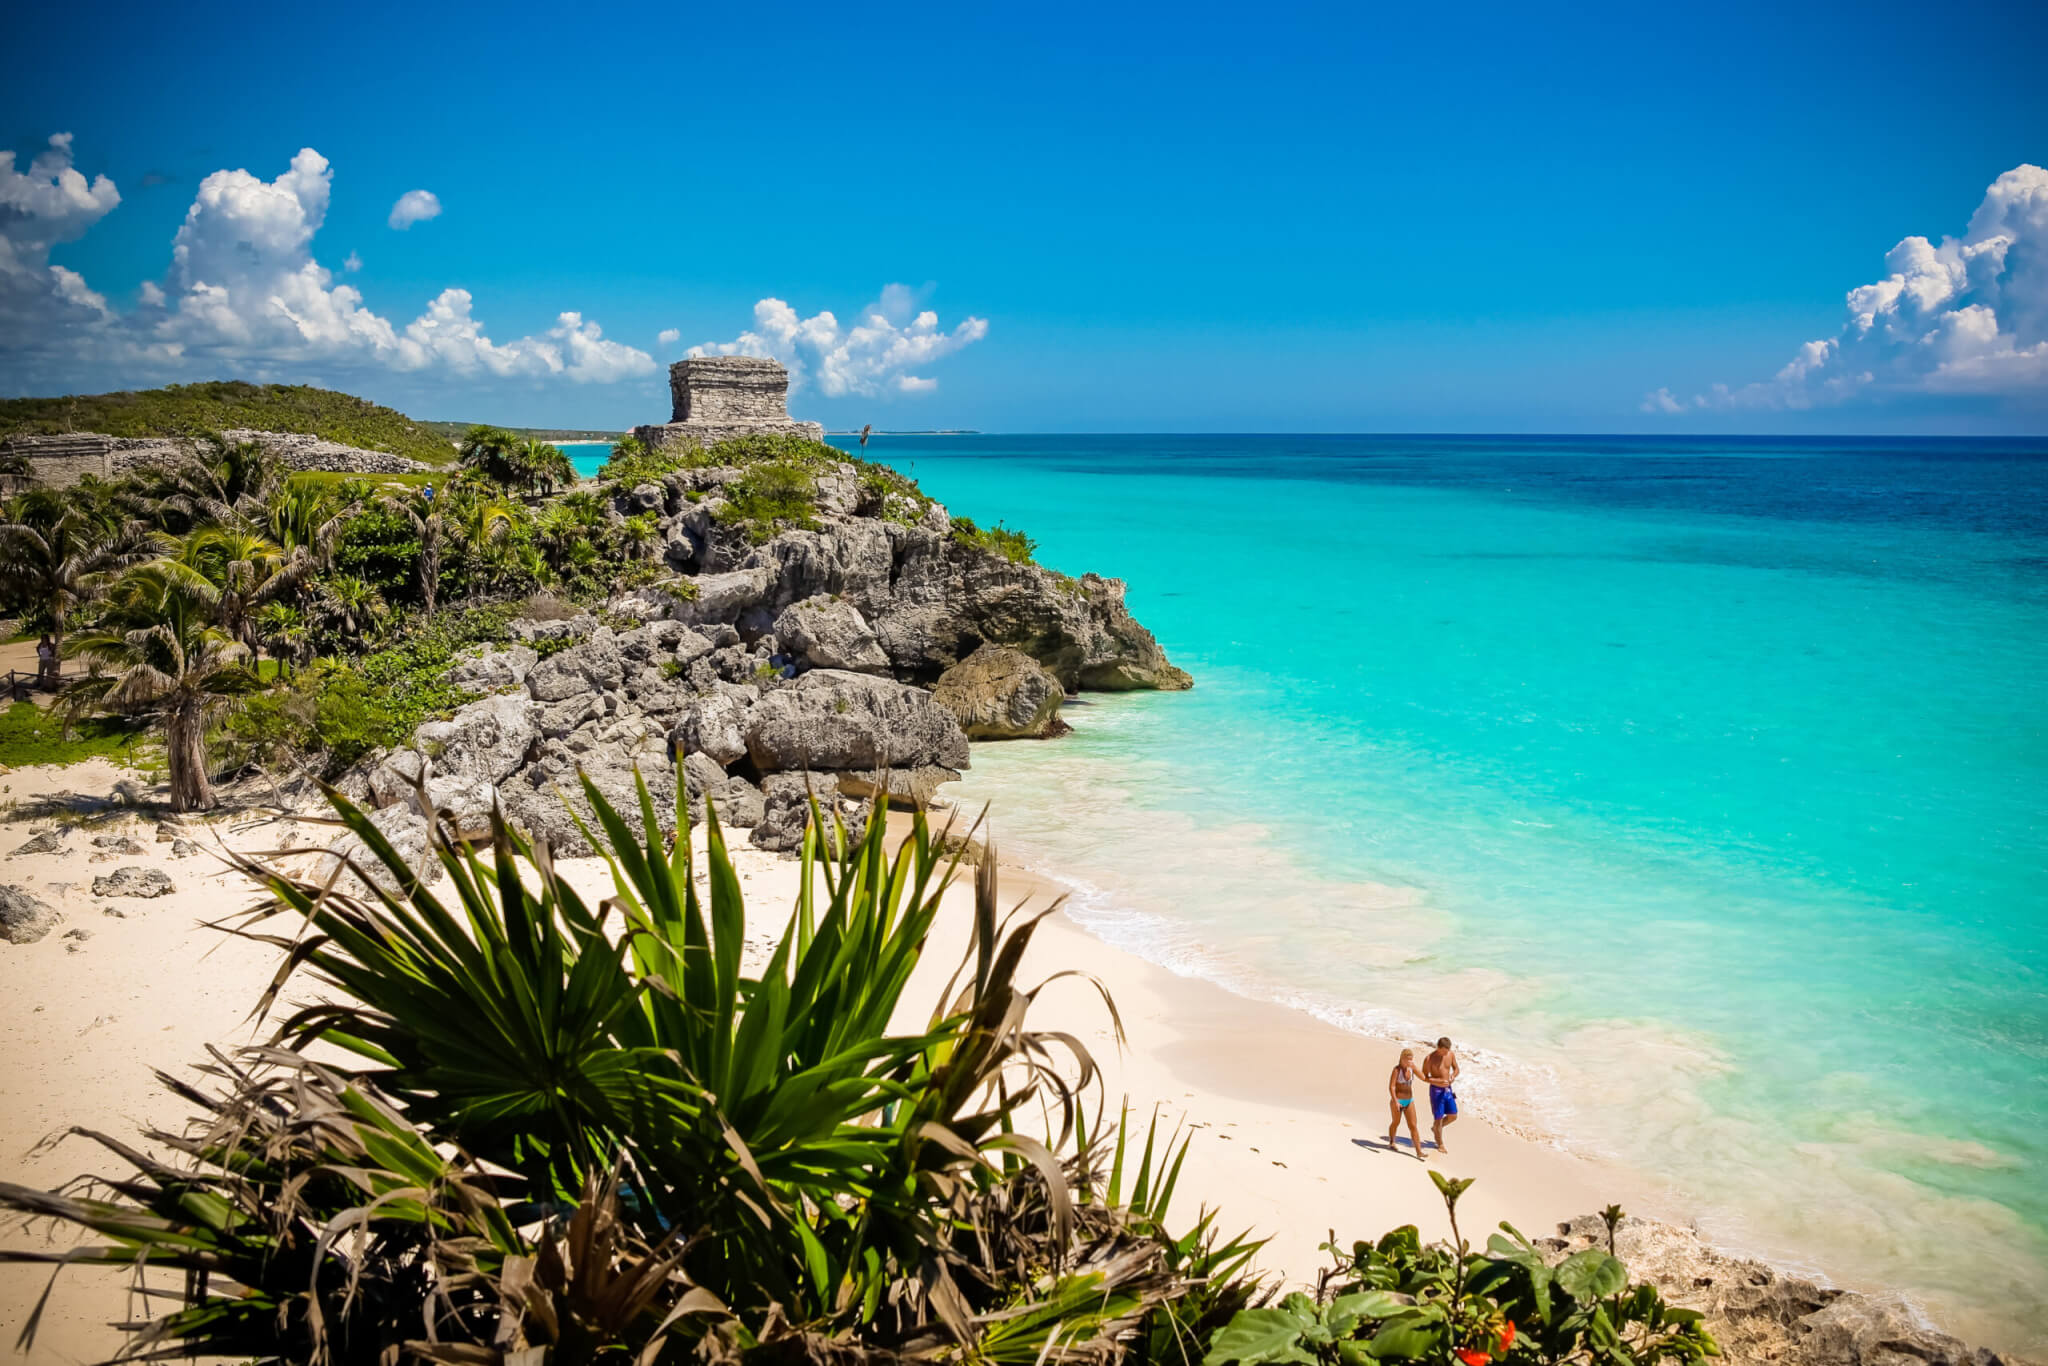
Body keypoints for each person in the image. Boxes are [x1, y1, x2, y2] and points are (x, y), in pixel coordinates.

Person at [1423, 1036, 1460, 1154]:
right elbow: (1425, 1077)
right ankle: (1440, 1143)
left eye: (1448, 1050)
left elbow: (1456, 1069)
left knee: (1453, 1116)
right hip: (1436, 1091)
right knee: (1438, 1119)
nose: (1446, 1053)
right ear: (1438, 1048)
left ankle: (1435, 1129)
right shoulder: (1429, 1059)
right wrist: (1438, 1081)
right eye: (1444, 1050)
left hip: (1448, 1089)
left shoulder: (1450, 1055)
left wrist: (1453, 1076)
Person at [1385, 1047, 1424, 1159]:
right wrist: (1396, 1101)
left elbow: (1423, 1077)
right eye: (1407, 1060)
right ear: (1402, 1059)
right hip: (1397, 1101)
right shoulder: (1396, 1070)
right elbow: (1391, 1087)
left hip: (1409, 1101)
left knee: (1413, 1126)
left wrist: (1414, 1067)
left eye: (1411, 1059)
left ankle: (1419, 1152)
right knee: (1395, 1122)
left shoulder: (1411, 1068)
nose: (1409, 1062)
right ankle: (1392, 1142)